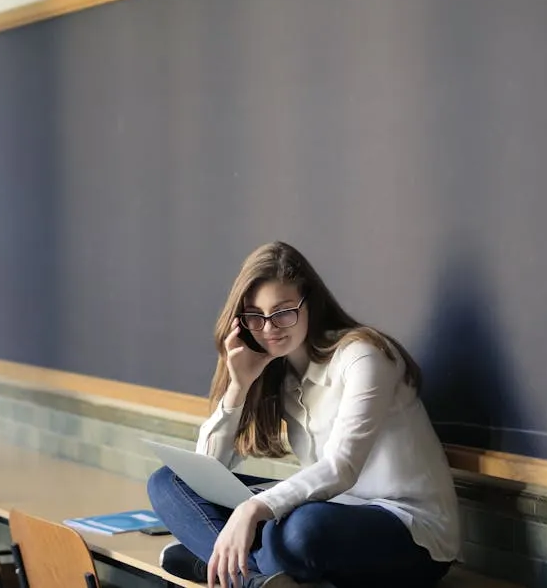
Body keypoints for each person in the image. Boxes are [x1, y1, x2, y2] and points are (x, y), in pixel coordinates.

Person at [147, 241, 459, 588]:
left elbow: (341, 468)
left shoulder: (363, 357)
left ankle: (218, 563)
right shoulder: (280, 375)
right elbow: (206, 473)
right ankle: (253, 578)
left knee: (301, 530)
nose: (269, 328)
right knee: (167, 481)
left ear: (310, 302)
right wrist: (239, 386)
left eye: (283, 312)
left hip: (409, 534)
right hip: (332, 513)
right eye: (255, 315)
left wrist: (250, 511)